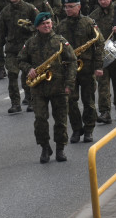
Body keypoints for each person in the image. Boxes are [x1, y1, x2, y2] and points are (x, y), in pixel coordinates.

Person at [19, 12, 77, 163]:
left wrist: (69, 84)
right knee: (40, 120)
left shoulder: (60, 41)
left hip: (58, 87)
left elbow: (72, 62)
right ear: (37, 26)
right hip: (39, 88)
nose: (47, 26)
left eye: (49, 23)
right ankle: (45, 147)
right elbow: (21, 60)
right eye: (43, 24)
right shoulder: (30, 43)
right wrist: (29, 69)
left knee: (61, 120)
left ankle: (60, 148)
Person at [59, 0, 102, 144]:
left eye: (71, 6)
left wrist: (98, 66)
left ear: (79, 7)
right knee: (71, 101)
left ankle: (89, 129)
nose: (68, 9)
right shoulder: (61, 25)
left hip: (87, 67)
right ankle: (77, 129)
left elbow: (99, 45)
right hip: (69, 69)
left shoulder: (88, 22)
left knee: (88, 100)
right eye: (66, 7)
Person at [0, 0, 37, 114]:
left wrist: (28, 27)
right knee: (12, 75)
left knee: (28, 76)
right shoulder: (5, 11)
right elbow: (0, 32)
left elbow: (40, 24)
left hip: (27, 48)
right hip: (11, 49)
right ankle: (15, 103)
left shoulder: (30, 9)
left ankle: (30, 100)